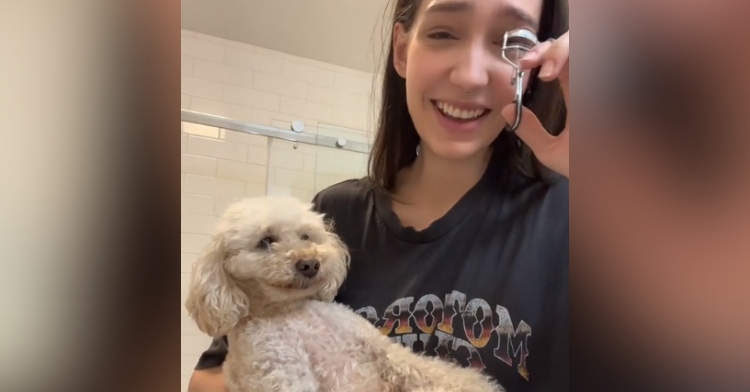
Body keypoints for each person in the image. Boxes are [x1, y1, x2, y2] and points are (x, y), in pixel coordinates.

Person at [187, 0, 569, 391]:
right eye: (443, 33)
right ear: (402, 50)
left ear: (538, 67)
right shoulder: (332, 213)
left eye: (513, 41)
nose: (470, 76)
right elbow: (206, 380)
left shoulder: (580, 221)